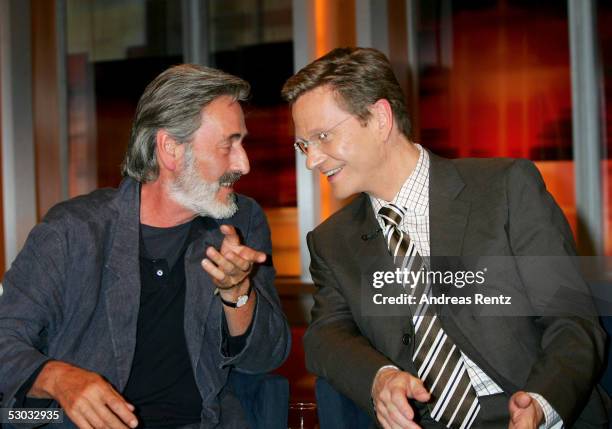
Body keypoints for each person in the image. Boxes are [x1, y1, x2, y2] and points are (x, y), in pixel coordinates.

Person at [282, 47, 609, 429]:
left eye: (322, 136)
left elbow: (572, 320)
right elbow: (325, 335)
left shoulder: (504, 189)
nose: (310, 160)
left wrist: (541, 403)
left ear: (380, 118)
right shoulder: (332, 241)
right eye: (303, 144)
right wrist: (380, 377)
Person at [0, 64, 290, 429]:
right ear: (170, 149)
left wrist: (238, 293)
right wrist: (59, 379)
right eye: (227, 144)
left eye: (241, 143)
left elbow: (267, 356)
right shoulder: (73, 232)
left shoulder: (239, 222)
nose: (243, 163)